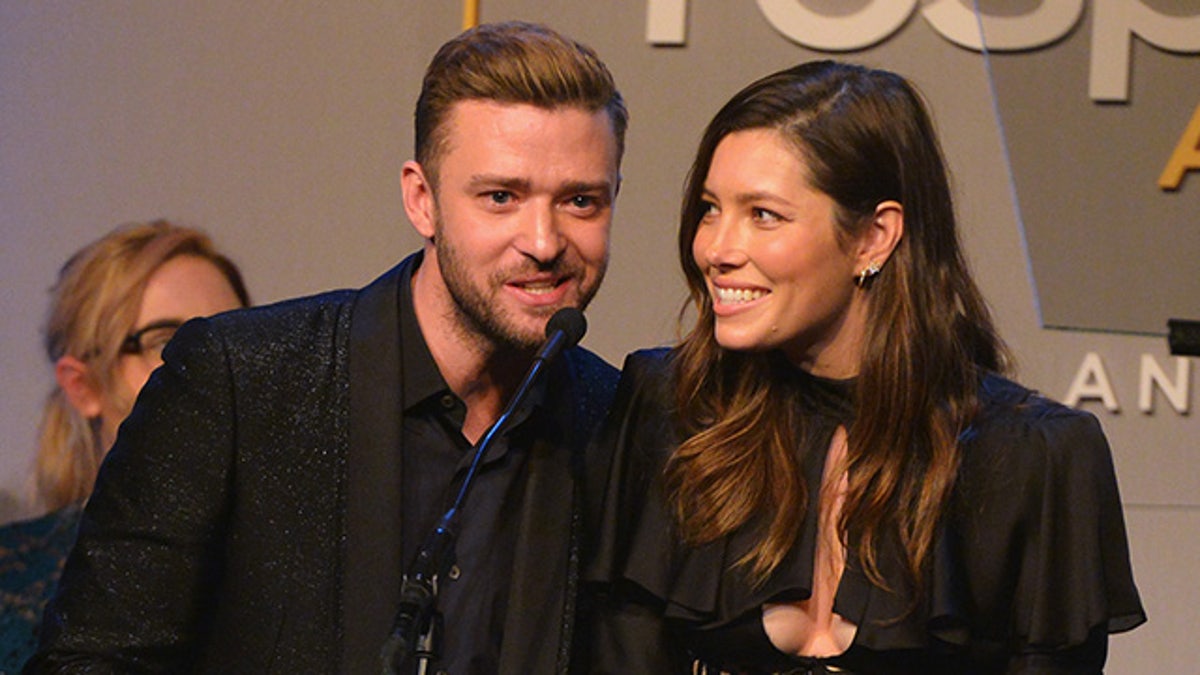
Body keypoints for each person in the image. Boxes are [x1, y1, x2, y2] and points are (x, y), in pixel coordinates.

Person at [27, 21, 626, 674]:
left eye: (580, 201)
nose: (543, 240)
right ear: (421, 200)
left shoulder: (612, 421)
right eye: (501, 197)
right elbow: (90, 660)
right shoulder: (238, 382)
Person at [585, 60, 1145, 674]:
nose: (716, 248)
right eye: (711, 208)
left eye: (763, 214)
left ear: (874, 238)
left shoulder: (1033, 459)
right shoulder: (673, 410)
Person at [1, 220, 249, 673]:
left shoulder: (296, 561)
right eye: (169, 344)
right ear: (82, 386)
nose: (217, 373)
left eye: (233, 341)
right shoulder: (12, 577)